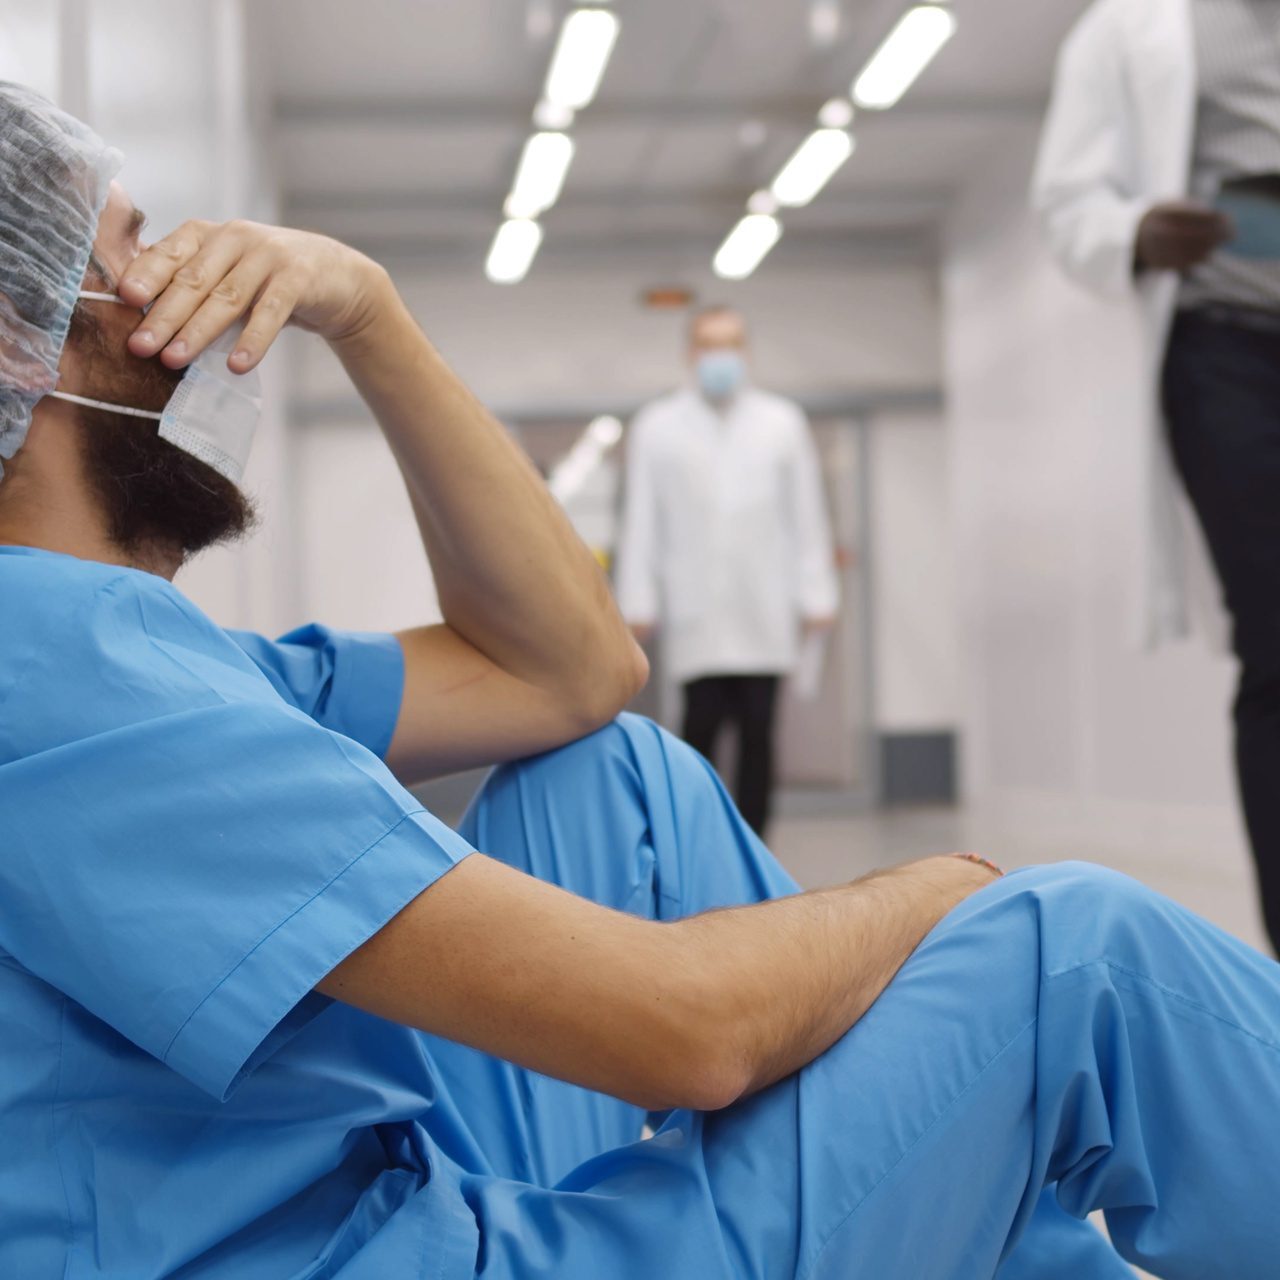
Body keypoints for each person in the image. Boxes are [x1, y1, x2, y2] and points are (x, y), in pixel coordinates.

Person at [2, 81, 1279, 1280]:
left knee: (616, 775)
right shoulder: (60, 667)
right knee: (1076, 954)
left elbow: (572, 672)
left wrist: (368, 312)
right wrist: (955, 885)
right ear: (18, 341)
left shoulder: (135, 659)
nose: (195, 297)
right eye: (136, 255)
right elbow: (688, 1030)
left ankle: (957, 1205)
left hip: (353, 1198)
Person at [1033, 0, 1280, 955]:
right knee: (1277, 635)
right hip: (1224, 350)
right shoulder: (1130, 27)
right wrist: (1135, 230)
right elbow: (1066, 199)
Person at [614, 306, 839, 835]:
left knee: (760, 733)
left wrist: (817, 592)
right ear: (690, 353)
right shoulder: (658, 426)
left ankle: (757, 845)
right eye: (710, 343)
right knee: (699, 733)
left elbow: (806, 514)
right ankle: (699, 842)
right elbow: (641, 520)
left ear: (746, 351)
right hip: (696, 611)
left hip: (765, 606)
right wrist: (638, 599)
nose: (721, 355)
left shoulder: (781, 422)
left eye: (731, 342)